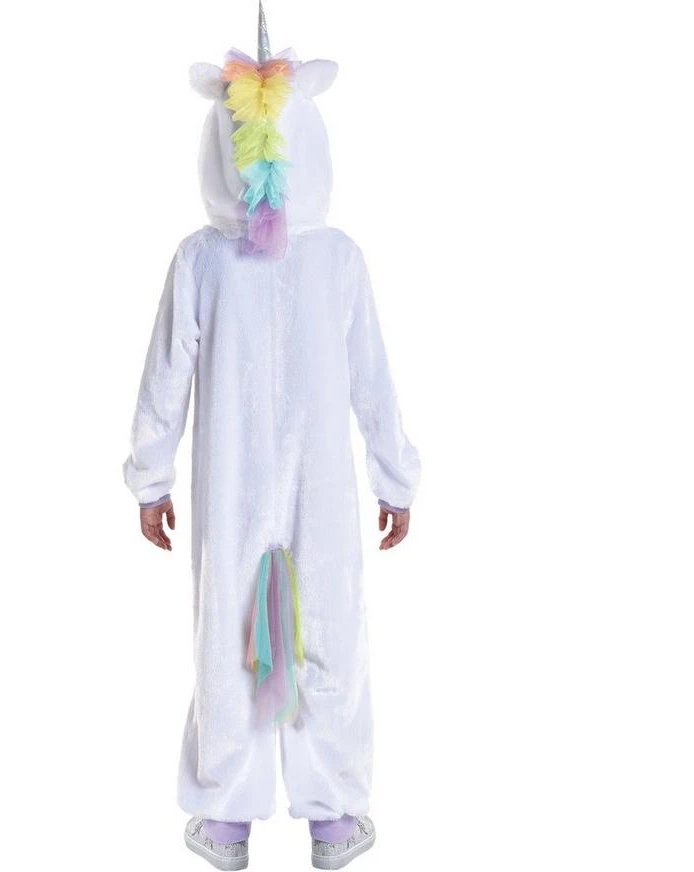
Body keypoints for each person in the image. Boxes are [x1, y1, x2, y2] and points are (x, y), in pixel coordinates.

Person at [124, 5, 420, 869]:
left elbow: (165, 377)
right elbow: (372, 380)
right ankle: (334, 814)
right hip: (319, 481)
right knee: (328, 623)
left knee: (228, 631)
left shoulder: (203, 259)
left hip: (231, 479)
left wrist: (151, 477)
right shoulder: (336, 259)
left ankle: (226, 816)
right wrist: (395, 477)